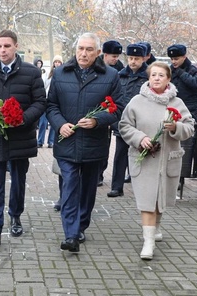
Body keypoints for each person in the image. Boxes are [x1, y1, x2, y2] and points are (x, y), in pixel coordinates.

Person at [46, 32, 124, 253]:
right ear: (75, 49)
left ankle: (81, 225)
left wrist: (97, 120)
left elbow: (117, 107)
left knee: (88, 188)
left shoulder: (110, 75)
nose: (84, 53)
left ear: (98, 53)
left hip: (94, 143)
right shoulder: (61, 73)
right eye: (81, 48)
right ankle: (71, 234)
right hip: (67, 142)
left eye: (89, 49)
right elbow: (51, 105)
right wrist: (60, 124)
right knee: (70, 184)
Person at [0, 30, 46, 252]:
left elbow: (40, 102)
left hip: (20, 138)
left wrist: (22, 118)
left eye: (7, 46)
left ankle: (15, 216)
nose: (2, 50)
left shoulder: (32, 73)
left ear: (15, 47)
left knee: (18, 181)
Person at [119, 61, 194, 260]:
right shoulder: (136, 101)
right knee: (147, 201)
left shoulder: (177, 103)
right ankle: (148, 242)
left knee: (160, 199)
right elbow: (124, 126)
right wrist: (140, 138)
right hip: (143, 160)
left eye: (161, 75)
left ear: (168, 79)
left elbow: (190, 128)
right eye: (153, 75)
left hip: (167, 160)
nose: (157, 78)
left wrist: (175, 127)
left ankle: (156, 228)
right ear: (148, 78)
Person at [107, 43, 149, 198]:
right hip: (123, 122)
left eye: (136, 59)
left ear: (143, 59)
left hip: (142, 122)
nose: (133, 61)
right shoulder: (120, 75)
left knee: (142, 156)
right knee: (120, 155)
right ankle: (117, 187)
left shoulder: (148, 76)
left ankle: (143, 188)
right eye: (130, 58)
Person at [167, 44, 197, 188]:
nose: (174, 62)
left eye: (176, 59)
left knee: (185, 147)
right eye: (172, 59)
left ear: (184, 57)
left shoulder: (194, 71)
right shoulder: (170, 70)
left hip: (189, 112)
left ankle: (181, 178)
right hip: (171, 111)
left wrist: (182, 73)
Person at [96, 40, 123, 187]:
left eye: (117, 56)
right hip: (96, 108)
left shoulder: (119, 69)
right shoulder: (96, 66)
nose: (116, 59)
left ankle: (100, 172)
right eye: (113, 56)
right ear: (105, 55)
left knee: (105, 145)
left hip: (110, 111)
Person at [37, 55, 63, 148]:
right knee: (43, 123)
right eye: (55, 62)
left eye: (59, 62)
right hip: (47, 100)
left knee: (53, 123)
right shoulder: (48, 74)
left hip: (56, 101)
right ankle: (40, 141)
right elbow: (43, 86)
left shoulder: (63, 74)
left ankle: (51, 141)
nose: (57, 64)